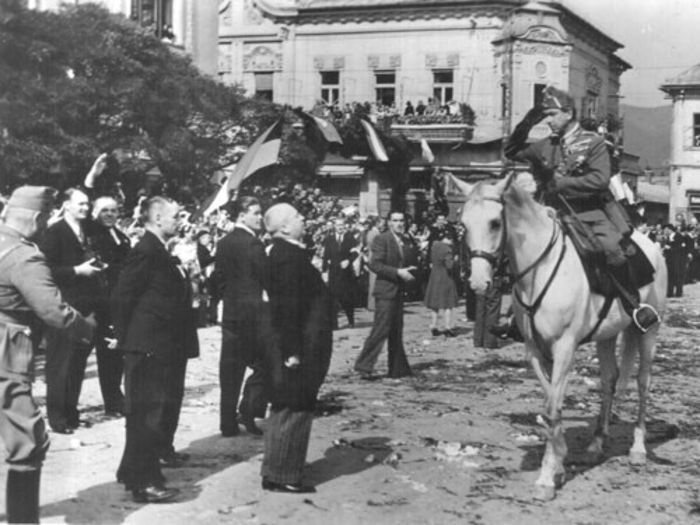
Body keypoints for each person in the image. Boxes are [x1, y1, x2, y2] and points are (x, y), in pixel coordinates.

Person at [504, 85, 659, 333]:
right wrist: (528, 122)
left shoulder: (593, 143)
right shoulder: (544, 145)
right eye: (546, 116)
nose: (549, 121)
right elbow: (510, 151)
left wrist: (561, 183)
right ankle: (518, 315)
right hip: (551, 213)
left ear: (568, 112)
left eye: (552, 115)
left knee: (612, 250)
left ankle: (634, 306)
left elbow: (600, 179)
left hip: (589, 213)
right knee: (523, 251)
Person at [0, 186, 95, 523]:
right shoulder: (24, 256)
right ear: (39, 218)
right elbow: (54, 311)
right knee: (29, 441)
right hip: (7, 354)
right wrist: (90, 330)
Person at [112, 196, 199, 503]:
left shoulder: (159, 250)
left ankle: (131, 470)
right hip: (148, 346)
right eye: (176, 215)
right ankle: (145, 482)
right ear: (158, 218)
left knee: (147, 413)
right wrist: (125, 340)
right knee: (147, 415)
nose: (181, 219)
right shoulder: (146, 251)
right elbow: (124, 296)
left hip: (159, 345)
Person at [261, 203, 333, 493]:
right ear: (286, 227)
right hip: (300, 346)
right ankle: (286, 475)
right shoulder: (290, 258)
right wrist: (292, 350)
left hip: (295, 345)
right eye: (297, 216)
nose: (304, 218)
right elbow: (287, 308)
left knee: (283, 406)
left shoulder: (284, 253)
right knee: (296, 406)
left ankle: (275, 470)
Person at [39, 188, 105, 434]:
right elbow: (47, 270)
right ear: (66, 205)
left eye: (87, 204)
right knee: (59, 365)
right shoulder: (54, 232)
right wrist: (77, 271)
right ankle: (57, 418)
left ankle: (72, 413)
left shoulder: (86, 230)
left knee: (77, 363)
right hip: (62, 307)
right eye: (80, 204)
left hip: (86, 307)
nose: (85, 208)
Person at [214, 196, 268, 437]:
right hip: (252, 315)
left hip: (231, 313)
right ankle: (248, 409)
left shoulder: (224, 242)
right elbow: (267, 277)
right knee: (266, 365)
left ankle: (227, 423)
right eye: (256, 213)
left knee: (230, 369)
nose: (260, 217)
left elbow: (218, 278)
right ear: (242, 214)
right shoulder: (254, 244)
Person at [354, 211, 417, 380]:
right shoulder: (382, 239)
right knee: (381, 329)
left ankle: (398, 368)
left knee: (396, 330)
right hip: (386, 291)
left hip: (398, 291)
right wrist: (398, 272)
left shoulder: (404, 239)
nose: (399, 223)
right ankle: (364, 366)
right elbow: (375, 264)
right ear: (389, 222)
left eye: (401, 220)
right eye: (395, 220)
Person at [86, 196, 131, 416]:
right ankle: (112, 401)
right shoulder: (94, 232)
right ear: (95, 213)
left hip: (119, 298)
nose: (110, 214)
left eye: (114, 211)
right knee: (104, 352)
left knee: (115, 352)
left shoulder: (121, 235)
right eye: (104, 210)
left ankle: (115, 398)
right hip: (101, 299)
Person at [322, 217, 358, 329]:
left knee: (347, 297)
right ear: (334, 226)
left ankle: (351, 320)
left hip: (346, 273)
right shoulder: (329, 239)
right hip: (334, 272)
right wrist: (324, 270)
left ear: (345, 226)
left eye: (342, 225)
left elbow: (355, 253)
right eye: (338, 225)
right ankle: (334, 324)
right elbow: (326, 255)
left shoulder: (350, 238)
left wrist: (349, 260)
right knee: (333, 298)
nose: (340, 227)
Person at [423, 231, 459, 337]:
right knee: (448, 304)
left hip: (434, 275)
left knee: (435, 304)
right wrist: (455, 261)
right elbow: (449, 266)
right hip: (445, 277)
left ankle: (433, 326)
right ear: (449, 239)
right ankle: (447, 327)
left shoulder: (434, 246)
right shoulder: (447, 250)